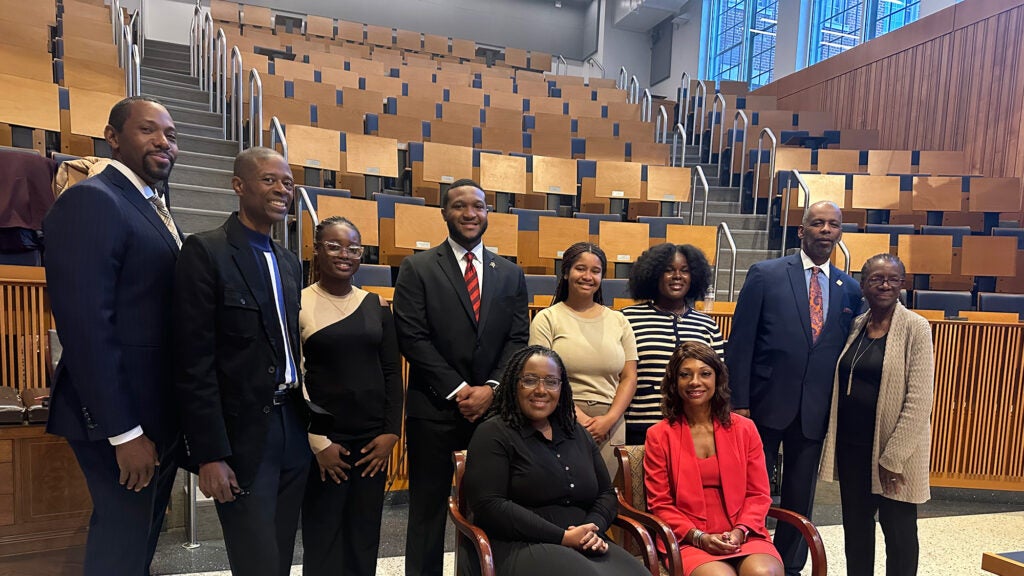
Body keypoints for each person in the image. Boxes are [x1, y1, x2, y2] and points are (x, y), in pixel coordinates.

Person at [43, 96, 181, 576]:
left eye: (170, 134)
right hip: (117, 417)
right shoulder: (92, 200)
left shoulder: (148, 204)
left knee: (137, 540)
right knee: (120, 545)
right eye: (149, 130)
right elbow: (86, 326)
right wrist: (124, 432)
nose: (163, 142)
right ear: (113, 137)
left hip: (153, 413)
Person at [173, 147, 308, 576]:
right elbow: (193, 361)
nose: (282, 190)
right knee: (256, 559)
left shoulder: (289, 262)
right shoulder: (206, 252)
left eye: (287, 182)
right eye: (270, 180)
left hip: (293, 426)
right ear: (239, 186)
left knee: (282, 551)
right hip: (243, 433)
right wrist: (209, 454)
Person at [393, 178, 530, 576]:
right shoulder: (417, 267)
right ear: (444, 214)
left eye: (478, 206)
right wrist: (457, 389)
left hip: (492, 414)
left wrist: (491, 389)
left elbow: (517, 337)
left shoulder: (509, 273)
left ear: (488, 213)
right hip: (433, 409)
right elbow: (412, 337)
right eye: (459, 206)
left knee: (490, 508)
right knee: (427, 513)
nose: (470, 213)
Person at [725, 200, 862, 575]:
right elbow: (741, 343)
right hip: (763, 406)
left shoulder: (849, 288)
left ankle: (790, 566)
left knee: (801, 496)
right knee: (752, 490)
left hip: (814, 411)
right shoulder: (766, 274)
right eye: (817, 223)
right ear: (801, 230)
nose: (825, 230)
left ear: (839, 234)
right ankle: (746, 555)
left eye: (832, 225)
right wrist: (739, 402)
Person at [463, 345, 649, 576]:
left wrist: (592, 530)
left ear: (562, 388)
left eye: (551, 381)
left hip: (583, 542)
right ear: (513, 383)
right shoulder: (493, 433)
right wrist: (563, 537)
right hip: (520, 544)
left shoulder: (576, 432)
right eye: (530, 380)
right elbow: (490, 506)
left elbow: (606, 494)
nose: (541, 390)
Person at [300, 216, 403, 576]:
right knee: (322, 533)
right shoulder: (297, 303)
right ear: (316, 249)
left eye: (353, 248)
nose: (345, 254)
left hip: (372, 442)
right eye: (334, 245)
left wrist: (391, 433)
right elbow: (296, 378)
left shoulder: (376, 306)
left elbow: (392, 373)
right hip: (325, 443)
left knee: (364, 534)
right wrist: (317, 442)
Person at [820, 254, 934, 576]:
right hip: (853, 448)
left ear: (902, 284)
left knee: (898, 535)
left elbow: (919, 400)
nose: (885, 285)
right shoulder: (857, 325)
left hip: (892, 453)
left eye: (892, 279)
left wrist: (892, 458)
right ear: (863, 285)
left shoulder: (916, 327)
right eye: (876, 279)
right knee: (856, 531)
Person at [645, 342, 783, 576]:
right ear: (674, 382)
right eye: (685, 375)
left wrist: (740, 531)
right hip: (688, 537)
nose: (695, 382)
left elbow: (759, 494)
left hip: (744, 533)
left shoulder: (745, 429)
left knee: (764, 573)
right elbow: (660, 504)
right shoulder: (659, 435)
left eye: (705, 374)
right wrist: (699, 537)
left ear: (718, 379)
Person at [529, 242, 638, 477]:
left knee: (609, 498)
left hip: (611, 423)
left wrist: (608, 420)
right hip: (559, 416)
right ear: (566, 272)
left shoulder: (619, 320)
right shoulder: (547, 319)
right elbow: (542, 378)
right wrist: (579, 419)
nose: (587, 276)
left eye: (595, 271)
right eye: (580, 269)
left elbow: (629, 377)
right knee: (565, 493)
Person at [622, 243, 725, 446]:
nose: (677, 276)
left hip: (692, 428)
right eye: (668, 270)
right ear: (653, 275)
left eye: (684, 271)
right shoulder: (627, 319)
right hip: (639, 427)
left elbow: (719, 382)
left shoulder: (708, 325)